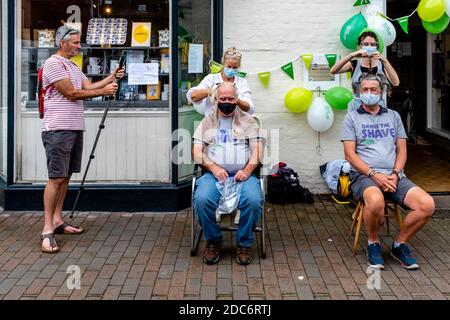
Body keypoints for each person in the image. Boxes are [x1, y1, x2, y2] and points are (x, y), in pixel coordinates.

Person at [40, 25, 124, 253]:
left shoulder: (73, 65)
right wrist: (104, 91)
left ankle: (58, 220)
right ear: (62, 42)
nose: (79, 46)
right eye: (75, 42)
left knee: (65, 177)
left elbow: (88, 86)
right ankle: (47, 229)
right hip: (57, 129)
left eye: (79, 42)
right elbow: (72, 93)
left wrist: (110, 78)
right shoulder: (53, 64)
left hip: (74, 128)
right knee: (56, 178)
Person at [341, 73, 435, 270]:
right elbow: (350, 155)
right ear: (359, 92)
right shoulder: (351, 118)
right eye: (364, 90)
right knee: (375, 201)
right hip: (364, 175)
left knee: (427, 205)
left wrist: (395, 172)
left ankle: (399, 245)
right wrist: (374, 175)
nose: (369, 93)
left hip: (394, 175)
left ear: (381, 92)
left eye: (373, 90)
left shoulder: (393, 116)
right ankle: (373, 244)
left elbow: (402, 149)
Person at [192, 82, 264, 265]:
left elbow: (258, 151)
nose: (227, 102)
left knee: (254, 200)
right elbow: (196, 152)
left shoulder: (248, 121)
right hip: (214, 174)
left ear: (236, 99)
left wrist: (247, 171)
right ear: (216, 100)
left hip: (243, 174)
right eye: (222, 98)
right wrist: (214, 168)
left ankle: (244, 243)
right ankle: (214, 240)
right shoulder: (207, 121)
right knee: (201, 199)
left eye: (231, 98)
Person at [331, 31, 400, 113]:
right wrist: (352, 55)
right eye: (366, 44)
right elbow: (333, 70)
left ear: (376, 47)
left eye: (373, 44)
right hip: (357, 106)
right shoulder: (354, 64)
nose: (369, 47)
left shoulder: (382, 64)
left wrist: (384, 60)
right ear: (360, 46)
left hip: (378, 107)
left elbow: (396, 82)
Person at [187, 47, 255, 116]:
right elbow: (193, 96)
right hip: (213, 123)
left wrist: (237, 101)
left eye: (235, 67)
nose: (231, 69)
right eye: (229, 66)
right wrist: (211, 92)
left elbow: (249, 108)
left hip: (236, 124)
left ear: (239, 66)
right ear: (223, 64)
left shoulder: (242, 82)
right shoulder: (211, 79)